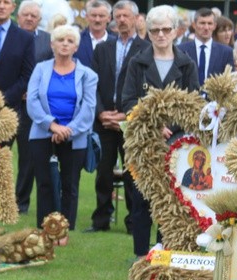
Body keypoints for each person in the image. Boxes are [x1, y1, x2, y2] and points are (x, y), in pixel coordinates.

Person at [121, 5, 200, 258]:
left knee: (171, 199)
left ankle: (164, 251)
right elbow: (128, 101)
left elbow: (194, 103)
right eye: (155, 30)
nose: (161, 35)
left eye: (166, 29)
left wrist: (172, 126)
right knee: (142, 199)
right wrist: (152, 124)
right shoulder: (137, 62)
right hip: (145, 142)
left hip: (178, 143)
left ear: (175, 31)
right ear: (148, 32)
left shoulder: (187, 64)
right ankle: (140, 255)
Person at [27, 25, 98, 242]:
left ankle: (64, 231)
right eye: (60, 40)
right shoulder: (40, 69)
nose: (65, 44)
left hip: (74, 137)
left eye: (69, 40)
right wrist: (52, 126)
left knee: (69, 184)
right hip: (42, 134)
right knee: (45, 183)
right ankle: (45, 229)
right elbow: (32, 100)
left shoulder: (88, 74)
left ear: (76, 47)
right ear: (52, 44)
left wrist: (68, 130)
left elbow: (88, 108)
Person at [86, 0, 147, 233]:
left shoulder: (146, 49)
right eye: (118, 16)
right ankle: (101, 219)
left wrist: (126, 115)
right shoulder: (103, 48)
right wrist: (101, 112)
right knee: (103, 173)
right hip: (104, 120)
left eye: (125, 16)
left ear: (135, 18)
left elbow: (146, 88)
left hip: (130, 122)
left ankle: (134, 222)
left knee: (133, 173)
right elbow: (93, 83)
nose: (121, 20)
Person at [15, 0, 53, 214]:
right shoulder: (10, 36)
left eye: (34, 16)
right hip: (8, 103)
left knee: (28, 157)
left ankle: (21, 202)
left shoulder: (48, 41)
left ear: (39, 19)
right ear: (18, 17)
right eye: (26, 15)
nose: (29, 18)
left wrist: (35, 93)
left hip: (34, 108)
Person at [178, 8, 234, 87]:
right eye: (202, 23)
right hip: (187, 98)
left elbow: (230, 82)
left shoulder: (226, 52)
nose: (206, 27)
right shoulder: (181, 50)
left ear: (214, 26)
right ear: (194, 25)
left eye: (210, 23)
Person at [73, 0, 114, 68]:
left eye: (101, 16)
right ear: (87, 17)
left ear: (109, 18)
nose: (97, 20)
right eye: (94, 15)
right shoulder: (76, 40)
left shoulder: (116, 42)